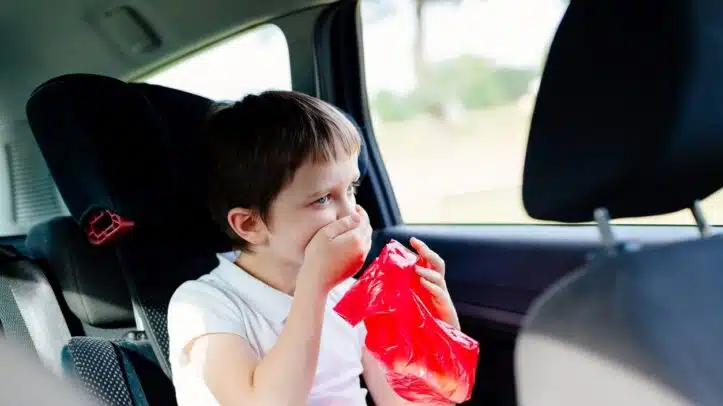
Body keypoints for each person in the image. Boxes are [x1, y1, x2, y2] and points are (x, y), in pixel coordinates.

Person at [167, 91, 462, 406]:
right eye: (322, 199)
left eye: (351, 188)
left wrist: (437, 332)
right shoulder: (202, 305)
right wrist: (314, 285)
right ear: (250, 225)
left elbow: (413, 403)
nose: (351, 213)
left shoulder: (350, 294)